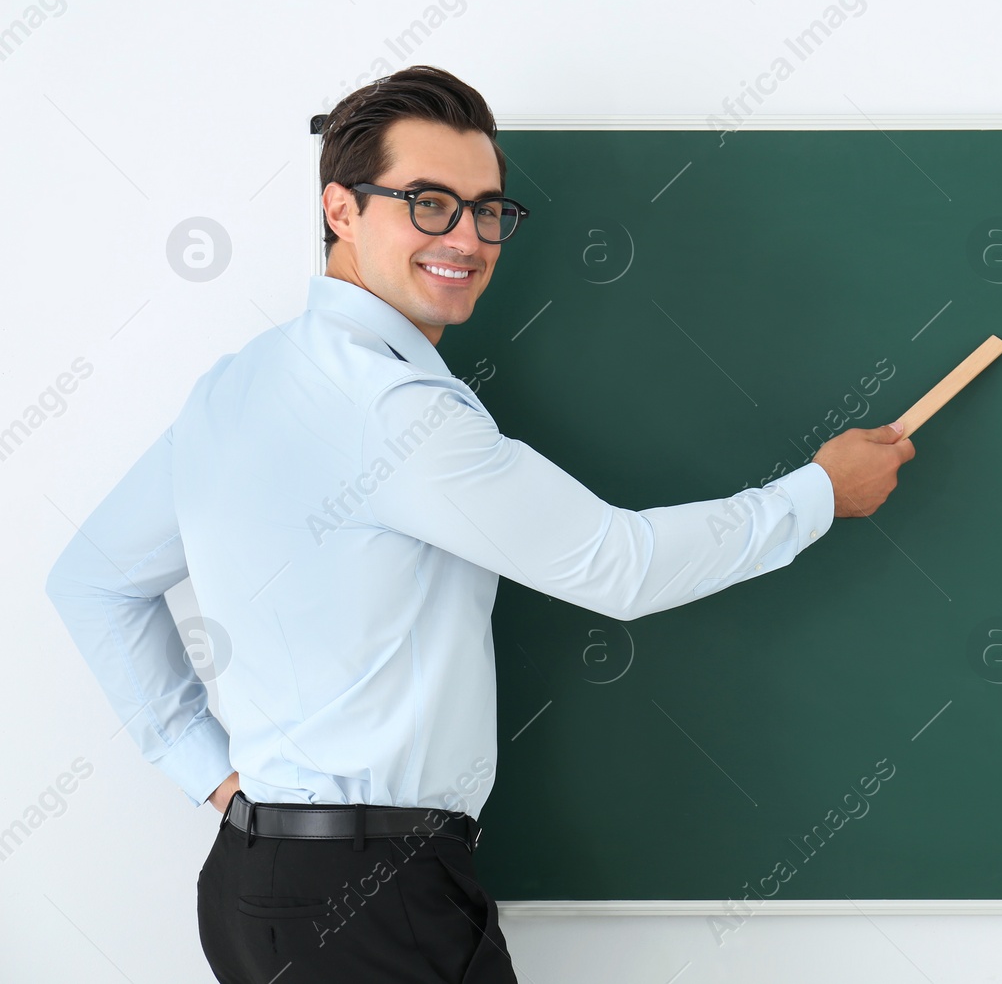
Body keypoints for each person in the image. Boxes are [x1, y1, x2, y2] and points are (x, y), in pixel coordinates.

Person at [43, 64, 915, 983]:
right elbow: (621, 566)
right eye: (427, 203)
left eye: (487, 209)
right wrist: (821, 492)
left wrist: (212, 775)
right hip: (372, 897)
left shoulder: (236, 383)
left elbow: (91, 579)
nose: (466, 236)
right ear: (340, 208)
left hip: (254, 887)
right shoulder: (399, 410)